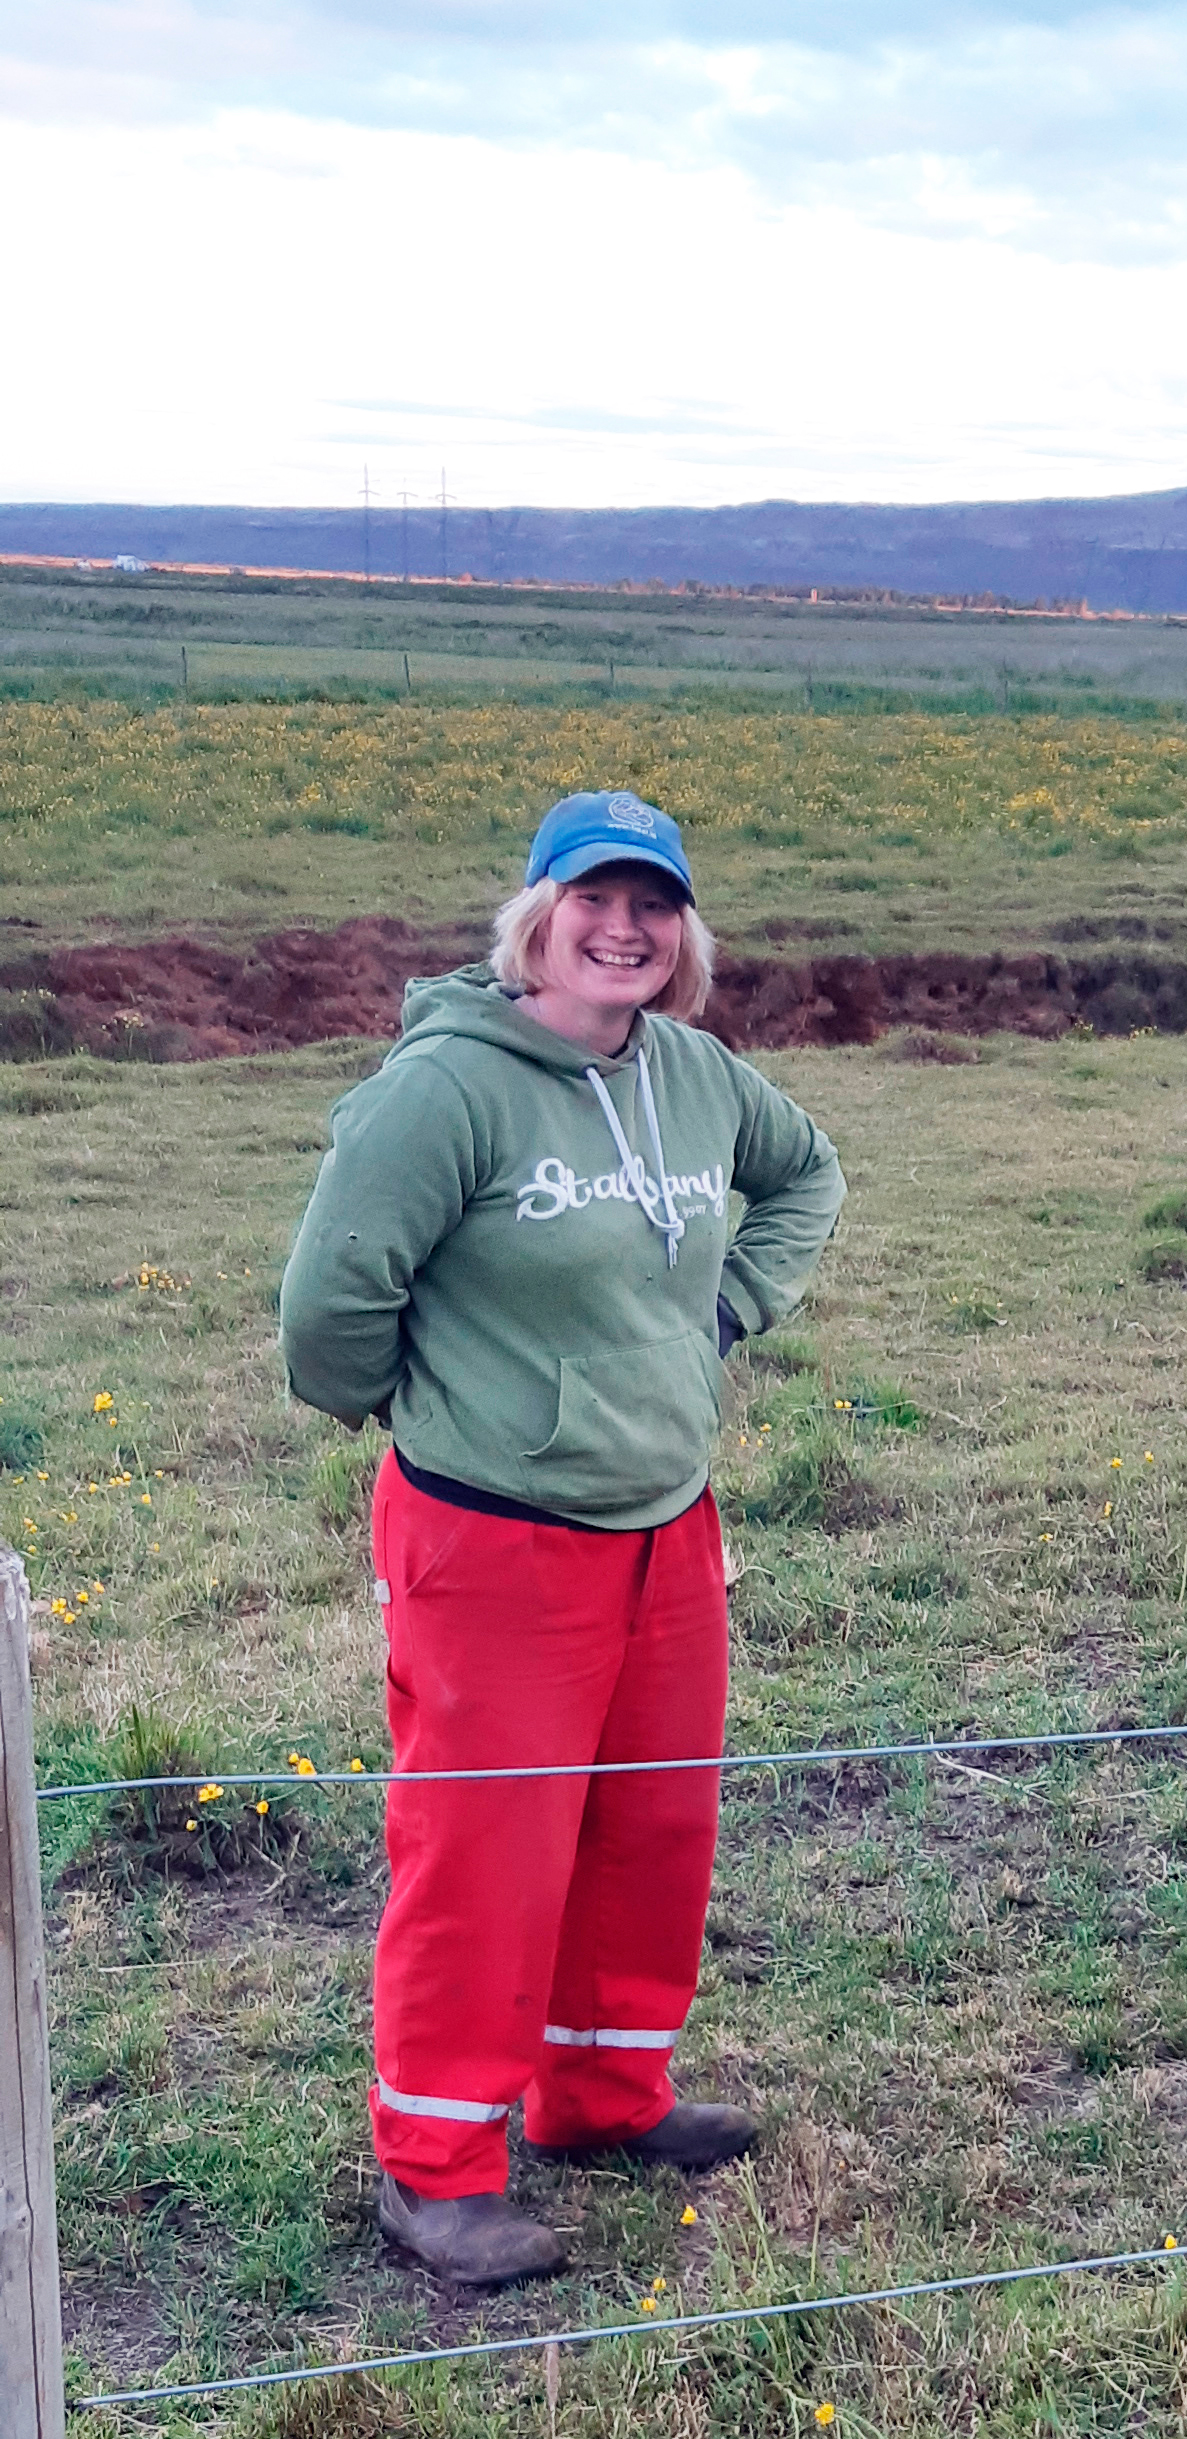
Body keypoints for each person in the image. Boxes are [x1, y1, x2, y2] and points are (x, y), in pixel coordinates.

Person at [280, 790, 845, 2285]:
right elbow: (329, 1306)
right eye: (593, 898)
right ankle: (437, 2168)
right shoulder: (446, 1088)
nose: (624, 928)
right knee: (487, 1855)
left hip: (668, 1528)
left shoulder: (700, 1079)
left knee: (648, 1827)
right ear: (534, 916)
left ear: (684, 934)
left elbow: (807, 1176)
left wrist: (722, 1314)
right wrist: (444, 1407)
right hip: (497, 1539)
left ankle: (600, 2097)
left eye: (653, 904)